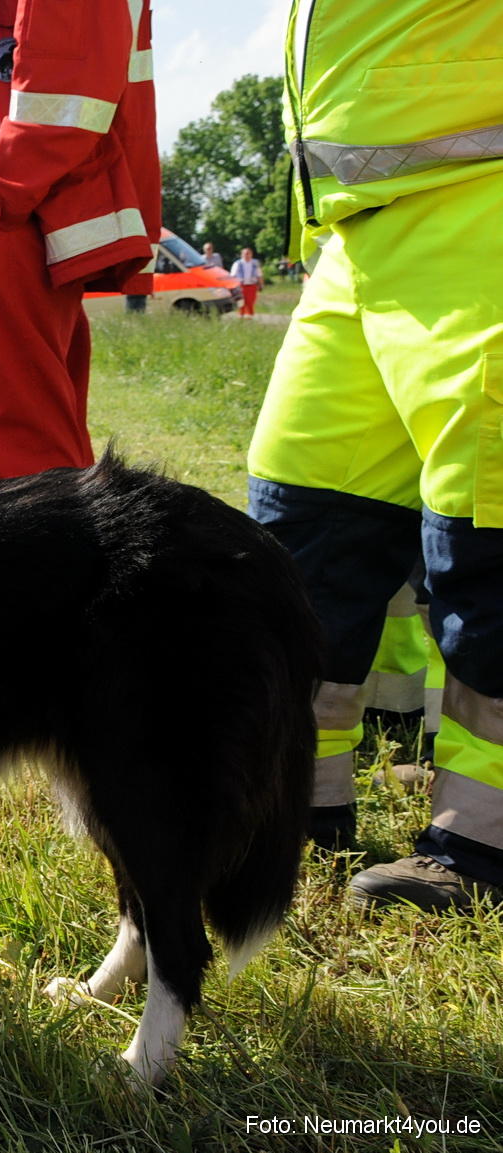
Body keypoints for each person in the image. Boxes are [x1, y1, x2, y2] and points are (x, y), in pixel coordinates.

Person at [248, 0, 503, 911]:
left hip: (482, 204)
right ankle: (297, 801)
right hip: (352, 233)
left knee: (486, 531)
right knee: (298, 520)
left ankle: (482, 840)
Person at [0, 0, 160, 481]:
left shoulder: (5, 188)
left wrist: (3, 186)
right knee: (32, 404)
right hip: (0, 179)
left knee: (11, 411)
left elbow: (70, 72)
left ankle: (49, 531)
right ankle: (74, 526)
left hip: (12, 184)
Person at [231, 246, 262, 317]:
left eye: (248, 253)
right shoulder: (238, 263)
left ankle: (250, 316)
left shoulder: (255, 263)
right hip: (241, 286)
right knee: (241, 302)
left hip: (252, 285)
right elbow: (233, 276)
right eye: (245, 253)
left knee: (250, 302)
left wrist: (261, 284)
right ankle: (241, 316)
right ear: (242, 255)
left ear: (251, 254)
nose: (246, 255)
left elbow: (259, 274)